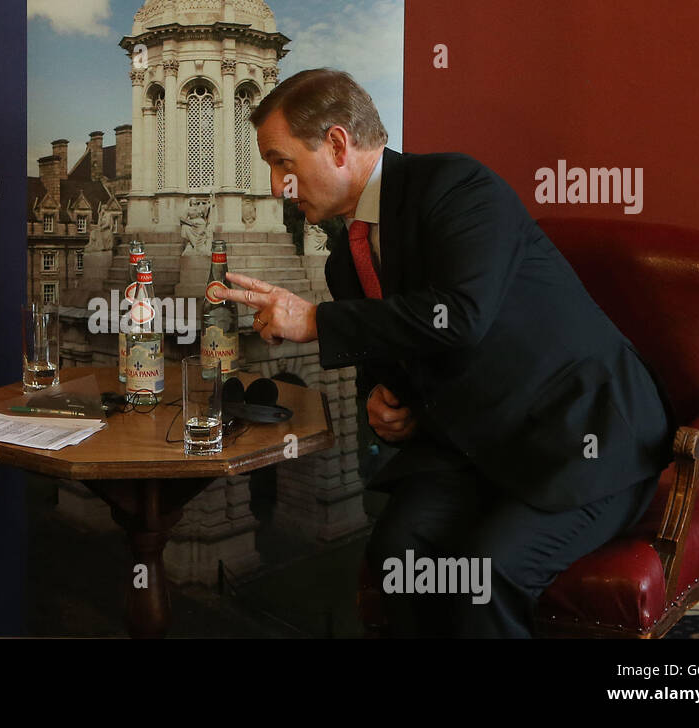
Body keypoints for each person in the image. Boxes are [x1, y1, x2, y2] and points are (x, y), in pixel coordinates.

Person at [213, 68, 674, 637]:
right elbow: (388, 361)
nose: (277, 182)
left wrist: (313, 320)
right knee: (397, 560)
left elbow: (458, 318)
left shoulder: (457, 186)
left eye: (282, 162)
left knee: (486, 576)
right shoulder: (343, 260)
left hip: (581, 434)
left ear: (336, 144)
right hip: (472, 451)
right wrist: (385, 410)